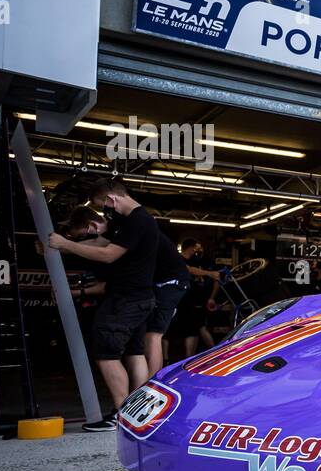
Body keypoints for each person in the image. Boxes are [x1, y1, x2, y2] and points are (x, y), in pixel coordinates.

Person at [48, 179, 159, 428]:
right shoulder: (134, 221)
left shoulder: (137, 221)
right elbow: (105, 244)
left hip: (126, 299)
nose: (106, 212)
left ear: (111, 199)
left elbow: (109, 255)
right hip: (140, 298)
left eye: (103, 205)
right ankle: (137, 414)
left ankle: (121, 414)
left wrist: (65, 244)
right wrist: (68, 248)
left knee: (106, 354)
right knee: (134, 352)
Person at [146, 230, 193, 376]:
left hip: (170, 286)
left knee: (153, 335)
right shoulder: (152, 237)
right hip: (166, 287)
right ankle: (154, 376)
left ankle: (153, 381)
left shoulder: (142, 232)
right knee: (155, 335)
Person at [167, 237, 221, 358]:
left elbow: (216, 279)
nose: (198, 251)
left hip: (197, 300)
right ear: (191, 248)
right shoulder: (179, 260)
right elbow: (190, 270)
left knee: (197, 328)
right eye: (196, 249)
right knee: (192, 329)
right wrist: (209, 273)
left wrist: (211, 297)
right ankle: (210, 354)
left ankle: (211, 354)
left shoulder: (200, 261)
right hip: (182, 300)